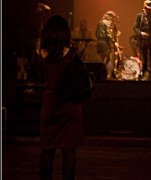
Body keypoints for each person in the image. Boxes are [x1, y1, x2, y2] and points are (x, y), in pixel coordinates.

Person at [38, 15, 86, 180]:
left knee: (47, 150)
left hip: (50, 106)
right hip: (70, 107)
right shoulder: (71, 53)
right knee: (69, 150)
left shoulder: (42, 53)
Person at [133, 0, 151, 80]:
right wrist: (141, 33)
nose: (148, 10)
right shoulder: (139, 16)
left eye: (150, 8)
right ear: (144, 7)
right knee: (143, 57)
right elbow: (135, 28)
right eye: (147, 8)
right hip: (143, 40)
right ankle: (144, 73)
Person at [95, 10, 121, 79]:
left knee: (101, 60)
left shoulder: (100, 22)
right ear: (110, 16)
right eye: (113, 17)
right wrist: (113, 41)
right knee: (108, 59)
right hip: (105, 43)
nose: (113, 19)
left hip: (99, 43)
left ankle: (100, 76)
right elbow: (108, 34)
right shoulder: (107, 23)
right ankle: (108, 76)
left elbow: (96, 33)